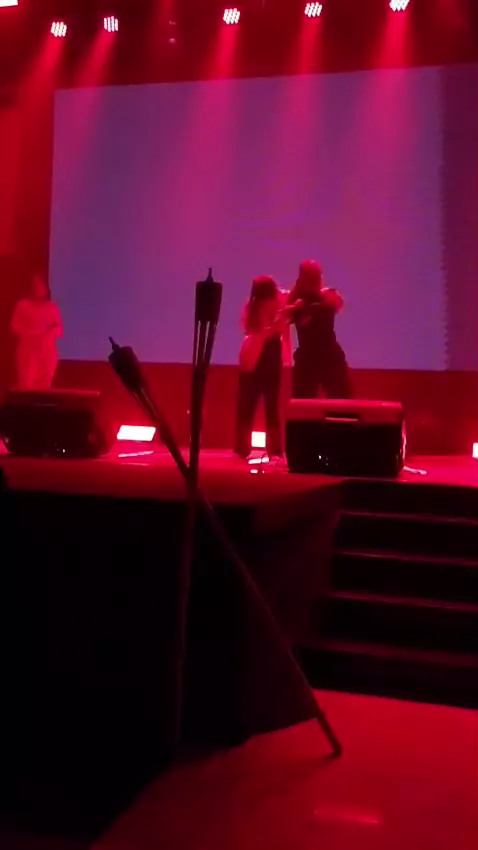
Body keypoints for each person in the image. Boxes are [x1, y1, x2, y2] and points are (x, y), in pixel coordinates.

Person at [234, 276, 292, 460]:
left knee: (260, 404)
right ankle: (262, 449)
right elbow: (255, 330)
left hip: (263, 357)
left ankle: (266, 449)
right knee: (256, 405)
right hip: (257, 357)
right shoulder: (254, 308)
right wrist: (271, 329)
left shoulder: (271, 305)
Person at [288, 260, 351, 399]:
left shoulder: (327, 296)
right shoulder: (295, 301)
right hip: (308, 357)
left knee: (341, 400)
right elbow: (285, 316)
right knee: (303, 403)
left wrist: (303, 306)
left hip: (329, 356)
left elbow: (337, 303)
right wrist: (297, 304)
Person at [11, 274, 63, 391]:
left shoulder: (52, 307)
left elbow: (59, 329)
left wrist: (49, 333)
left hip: (47, 354)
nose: (39, 288)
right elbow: (14, 327)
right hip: (28, 354)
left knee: (44, 387)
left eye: (41, 285)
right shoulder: (23, 305)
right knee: (26, 387)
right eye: (36, 285)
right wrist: (32, 333)